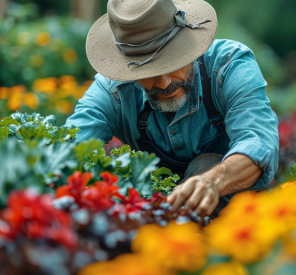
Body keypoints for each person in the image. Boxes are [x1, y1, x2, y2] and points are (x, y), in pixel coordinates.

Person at [65, 0, 279, 218]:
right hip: (161, 219)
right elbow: (70, 149)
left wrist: (213, 180)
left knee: (206, 165)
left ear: (189, 45)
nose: (165, 83)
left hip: (236, 215)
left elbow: (258, 143)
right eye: (148, 71)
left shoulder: (229, 66)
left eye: (173, 62)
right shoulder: (114, 91)